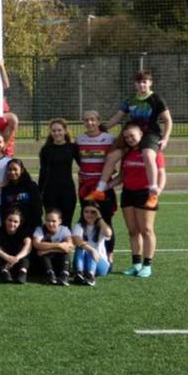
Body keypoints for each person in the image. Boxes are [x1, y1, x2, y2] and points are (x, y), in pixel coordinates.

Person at [87, 71, 172, 209]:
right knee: (111, 157)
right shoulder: (130, 99)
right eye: (139, 82)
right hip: (131, 133)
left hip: (150, 133)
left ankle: (152, 192)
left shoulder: (156, 98)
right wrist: (102, 127)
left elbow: (168, 121)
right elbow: (118, 117)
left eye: (145, 82)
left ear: (150, 83)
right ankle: (100, 190)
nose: (142, 85)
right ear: (135, 84)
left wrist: (166, 139)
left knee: (148, 155)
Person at [111, 123, 166, 278]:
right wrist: (107, 186)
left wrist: (157, 190)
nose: (129, 139)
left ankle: (147, 265)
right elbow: (122, 176)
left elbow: (161, 173)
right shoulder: (127, 153)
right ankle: (136, 265)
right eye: (126, 137)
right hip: (128, 193)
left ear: (141, 135)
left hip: (146, 194)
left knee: (147, 230)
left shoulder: (152, 150)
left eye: (132, 136)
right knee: (133, 231)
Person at [76, 110, 118, 265]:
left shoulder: (110, 138)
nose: (89, 123)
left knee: (105, 220)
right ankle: (89, 254)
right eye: (86, 120)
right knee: (87, 220)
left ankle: (109, 254)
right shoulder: (80, 139)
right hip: (85, 187)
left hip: (103, 188)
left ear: (99, 121)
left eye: (92, 120)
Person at [38, 118, 80, 227]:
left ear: (65, 131)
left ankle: (66, 244)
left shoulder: (72, 147)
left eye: (59, 130)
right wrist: (39, 192)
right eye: (54, 131)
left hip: (68, 191)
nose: (56, 133)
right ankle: (52, 244)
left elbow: (83, 165)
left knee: (66, 223)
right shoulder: (46, 149)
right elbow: (43, 171)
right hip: (50, 192)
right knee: (52, 224)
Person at [71, 203, 113, 285]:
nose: (89, 214)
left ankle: (91, 276)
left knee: (91, 249)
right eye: (86, 212)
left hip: (100, 265)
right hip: (83, 263)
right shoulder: (79, 225)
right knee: (81, 247)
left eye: (93, 212)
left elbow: (109, 234)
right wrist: (92, 250)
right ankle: (79, 273)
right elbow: (77, 240)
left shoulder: (101, 226)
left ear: (98, 213)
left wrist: (99, 218)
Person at [0, 159, 42, 237]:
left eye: (15, 169)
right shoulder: (6, 188)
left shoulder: (31, 186)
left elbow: (37, 209)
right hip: (12, 226)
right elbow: (3, 209)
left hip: (30, 226)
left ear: (22, 170)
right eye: (10, 169)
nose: (12, 172)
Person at [0, 210, 31, 284]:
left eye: (15, 222)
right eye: (10, 220)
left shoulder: (23, 232)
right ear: (5, 220)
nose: (12, 223)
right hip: (4, 260)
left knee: (26, 254)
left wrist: (16, 258)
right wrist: (7, 257)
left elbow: (28, 245)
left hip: (17, 259)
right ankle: (5, 272)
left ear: (20, 223)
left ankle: (22, 273)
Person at [32, 209, 74, 286]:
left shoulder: (64, 229)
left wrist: (47, 250)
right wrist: (59, 245)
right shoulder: (40, 229)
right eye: (48, 220)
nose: (50, 224)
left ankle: (64, 275)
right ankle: (50, 275)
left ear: (60, 221)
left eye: (54, 221)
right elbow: (36, 244)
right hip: (45, 264)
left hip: (60, 263)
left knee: (65, 254)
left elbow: (70, 247)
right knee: (44, 256)